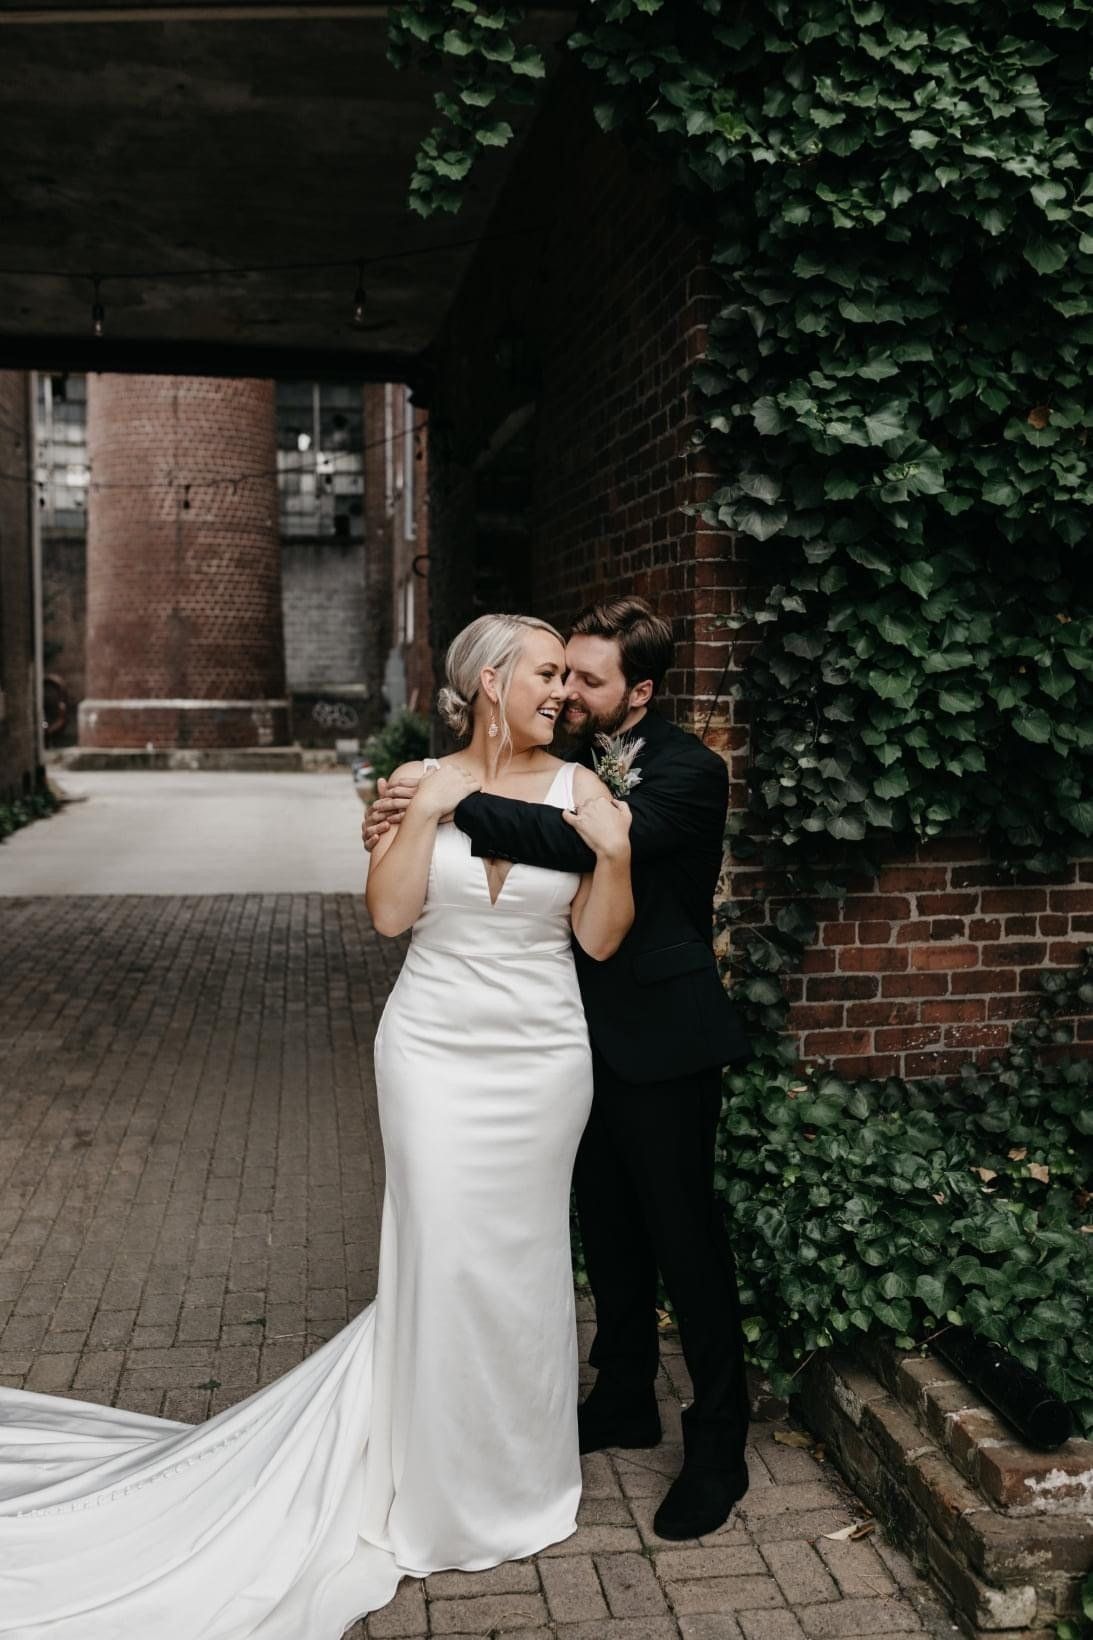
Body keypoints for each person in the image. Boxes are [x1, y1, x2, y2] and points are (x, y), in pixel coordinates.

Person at [0, 613, 634, 1640]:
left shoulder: (583, 792)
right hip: (432, 1052)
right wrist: (424, 813)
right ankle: (430, 1479)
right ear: (490, 682)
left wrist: (614, 858)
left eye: (570, 675)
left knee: (515, 1264)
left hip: (544, 1058)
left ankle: (516, 1476)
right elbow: (388, 916)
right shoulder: (415, 780)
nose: (565, 691)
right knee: (441, 1255)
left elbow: (599, 941)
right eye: (549, 672)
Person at [364, 595, 753, 1541]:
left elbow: (557, 842)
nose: (570, 693)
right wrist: (420, 794)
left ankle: (719, 1446)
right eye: (559, 673)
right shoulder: (570, 761)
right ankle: (622, 1397)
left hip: (657, 1038)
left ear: (640, 691)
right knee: (605, 1232)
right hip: (552, 1036)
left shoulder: (687, 773)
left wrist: (437, 794)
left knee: (681, 1238)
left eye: (589, 680)